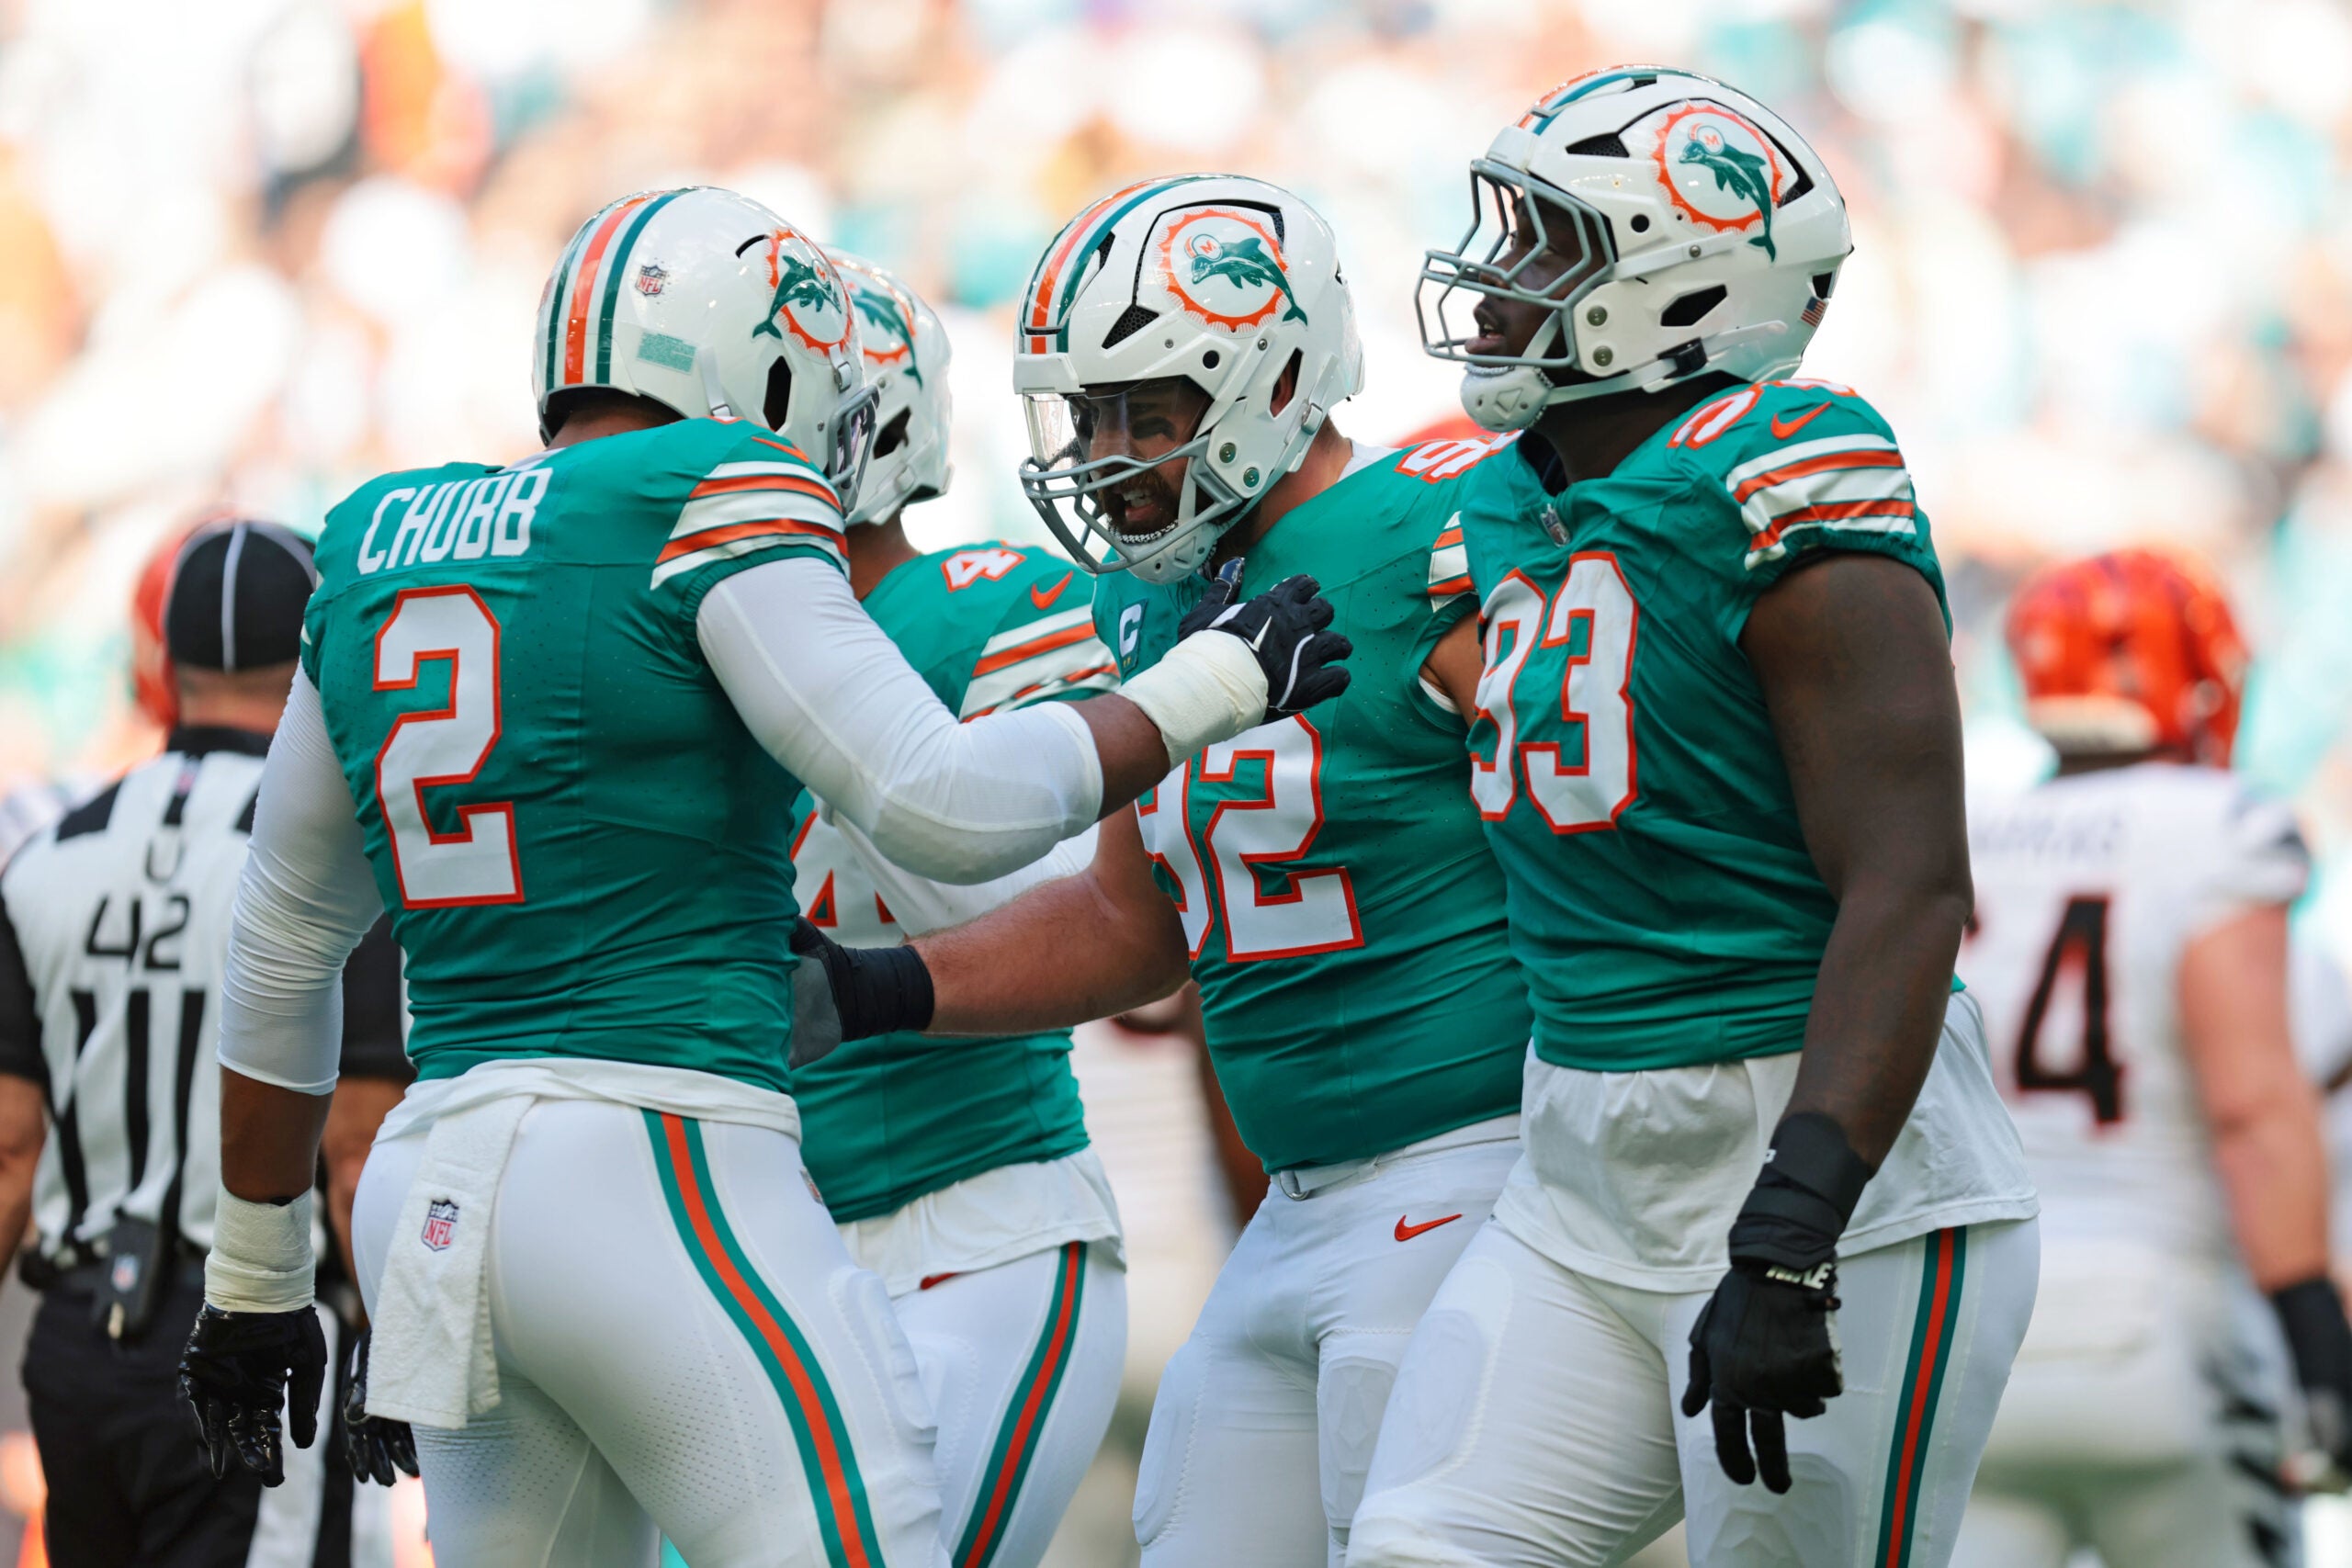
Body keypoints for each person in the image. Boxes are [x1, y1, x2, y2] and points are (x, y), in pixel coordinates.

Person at [171, 185, 1351, 1568]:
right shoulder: (716, 490)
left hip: (436, 1197)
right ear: (759, 363)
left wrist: (253, 1277)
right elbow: (943, 800)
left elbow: (285, 938)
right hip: (649, 1150)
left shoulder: (374, 532)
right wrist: (1217, 677)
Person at [1331, 68, 2040, 1568]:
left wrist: (1795, 1228)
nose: (1498, 278)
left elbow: (1908, 881)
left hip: (1835, 1165)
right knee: (1412, 1546)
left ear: (1679, 279)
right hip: (1582, 1159)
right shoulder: (1507, 501)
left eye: (1546, 245)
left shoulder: (1787, 464)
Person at [795, 175, 1536, 1566]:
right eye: (1088, 414)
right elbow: (1132, 924)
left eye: (1149, 409)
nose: (1111, 451)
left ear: (1273, 377)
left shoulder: (1430, 527)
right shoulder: (1153, 603)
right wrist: (874, 986)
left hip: (1474, 1163)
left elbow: (1591, 811)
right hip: (1300, 1200)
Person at [786, 254, 1126, 1568]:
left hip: (970, 1229)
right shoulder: (682, 648)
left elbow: (1098, 929)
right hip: (757, 1250)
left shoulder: (988, 610)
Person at [0, 520, 410, 1567]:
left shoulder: (50, 851)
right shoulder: (330, 853)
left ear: (164, 662)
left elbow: (8, 1145)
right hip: (252, 1332)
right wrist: (401, 1354)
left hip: (79, 1341)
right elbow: (354, 1152)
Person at [1951, 549, 2352, 1568]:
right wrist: (2318, 1337)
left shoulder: (1960, 833)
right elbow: (2253, 1108)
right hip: (2163, 1330)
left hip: (1966, 1337)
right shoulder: (2217, 830)